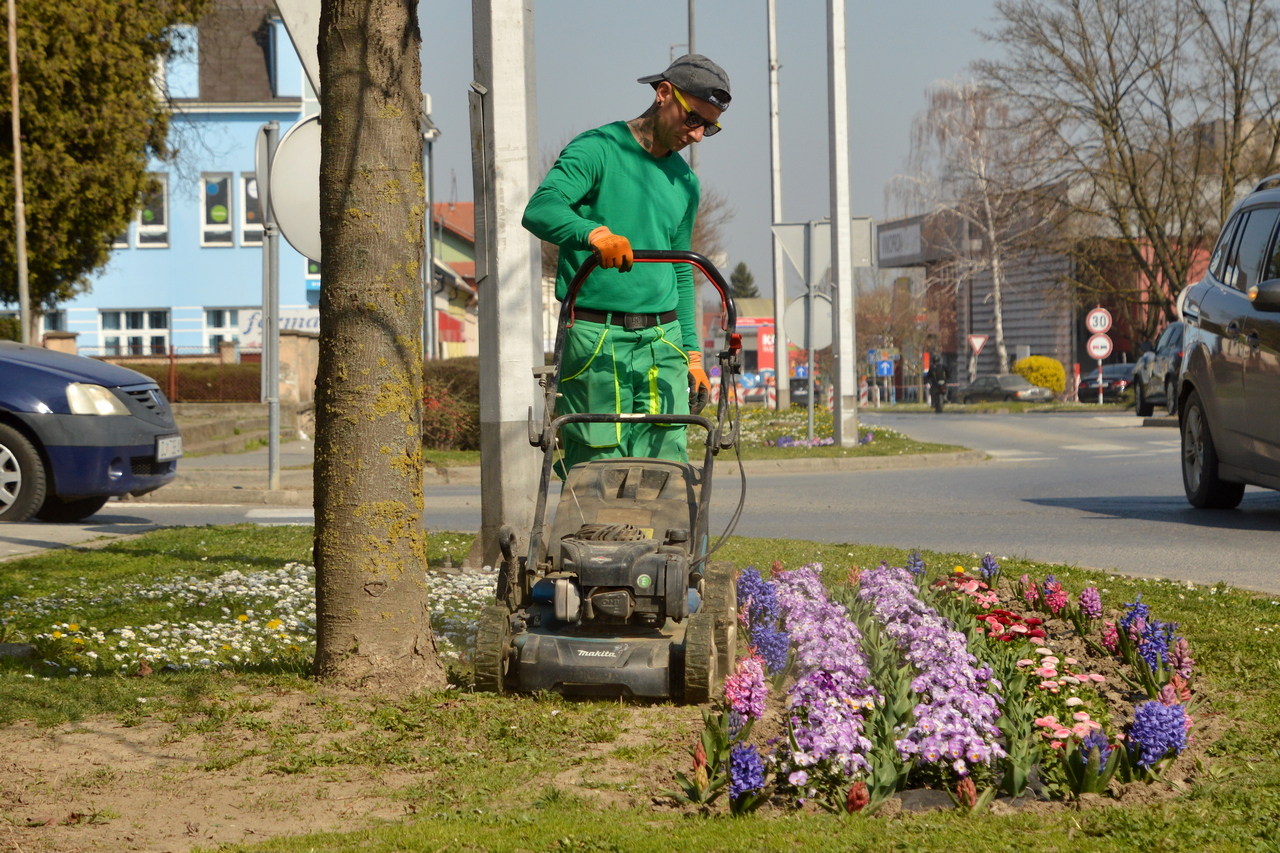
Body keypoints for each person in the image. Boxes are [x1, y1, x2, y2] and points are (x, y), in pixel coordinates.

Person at [522, 55, 730, 474]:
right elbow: (540, 209)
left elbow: (680, 269)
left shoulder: (685, 183)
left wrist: (692, 354)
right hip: (596, 338)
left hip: (664, 341)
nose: (697, 135)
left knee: (666, 468)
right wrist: (592, 233)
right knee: (596, 467)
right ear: (664, 93)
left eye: (708, 127)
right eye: (693, 119)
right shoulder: (598, 149)